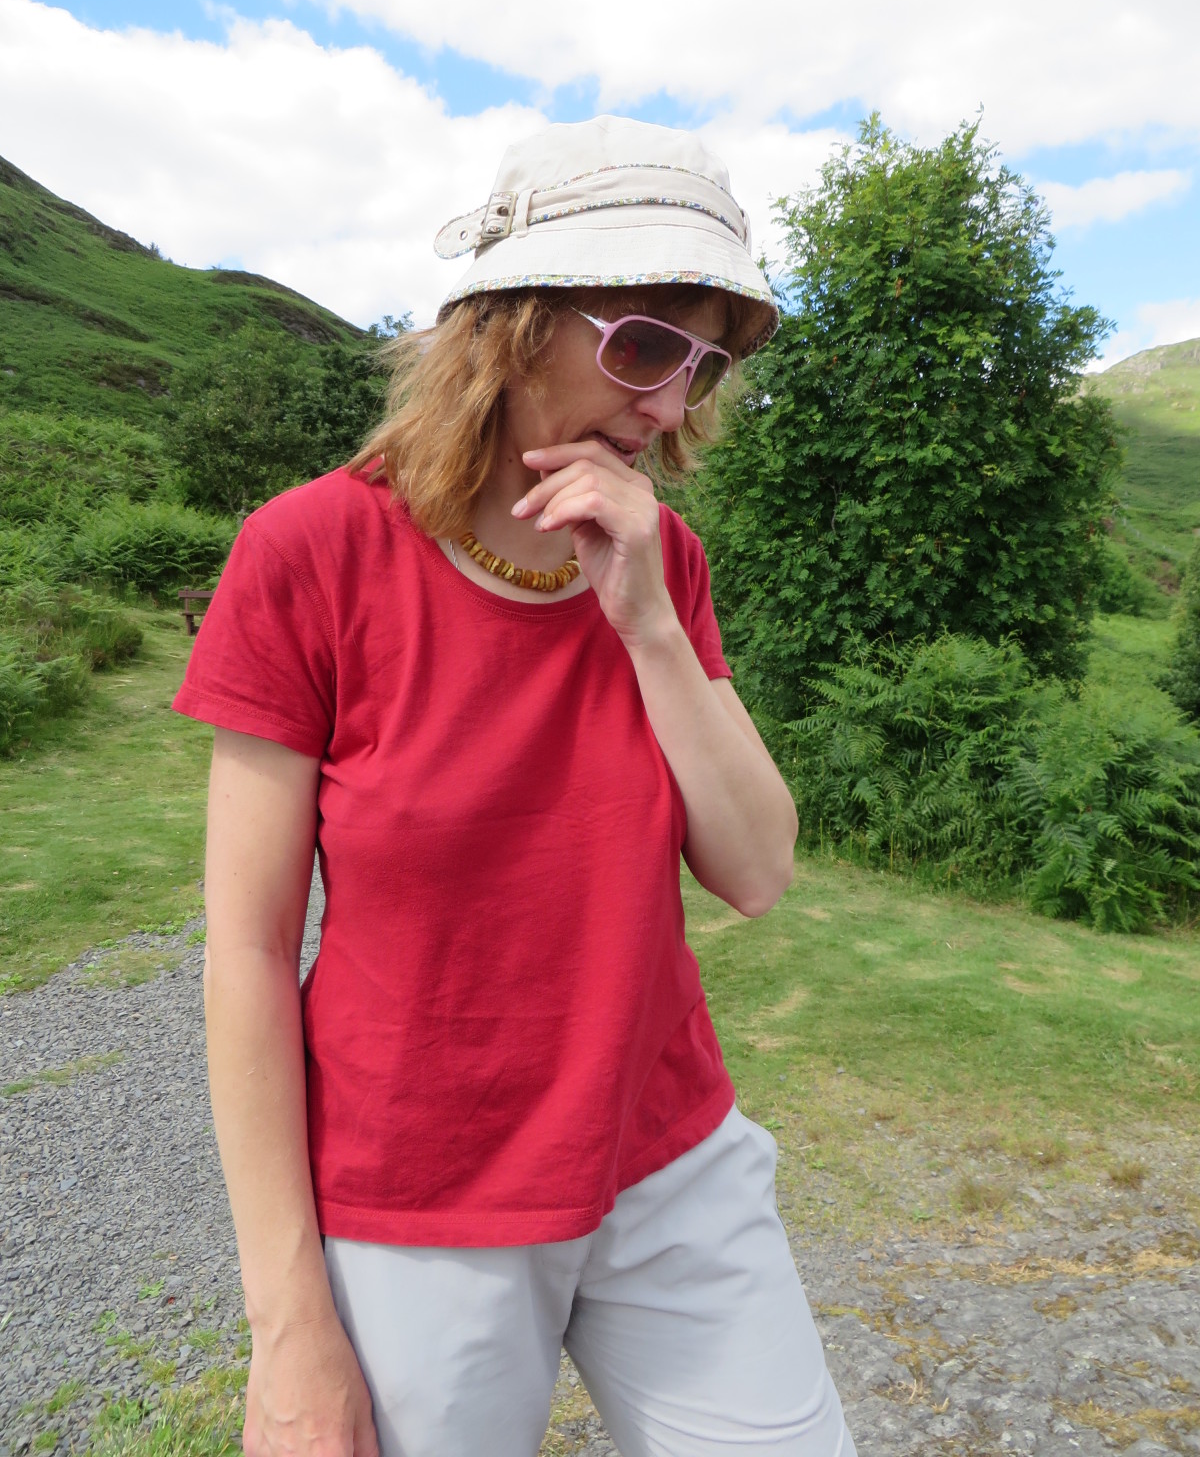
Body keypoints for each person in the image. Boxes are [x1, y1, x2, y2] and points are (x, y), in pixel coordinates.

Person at [174, 114, 858, 1457]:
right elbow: (246, 953)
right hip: (420, 1202)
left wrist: (646, 621)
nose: (671, 407)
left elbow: (759, 869)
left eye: (704, 363)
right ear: (511, 325)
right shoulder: (311, 553)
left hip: (669, 1160)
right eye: (643, 346)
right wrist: (289, 1325)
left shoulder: (663, 562)